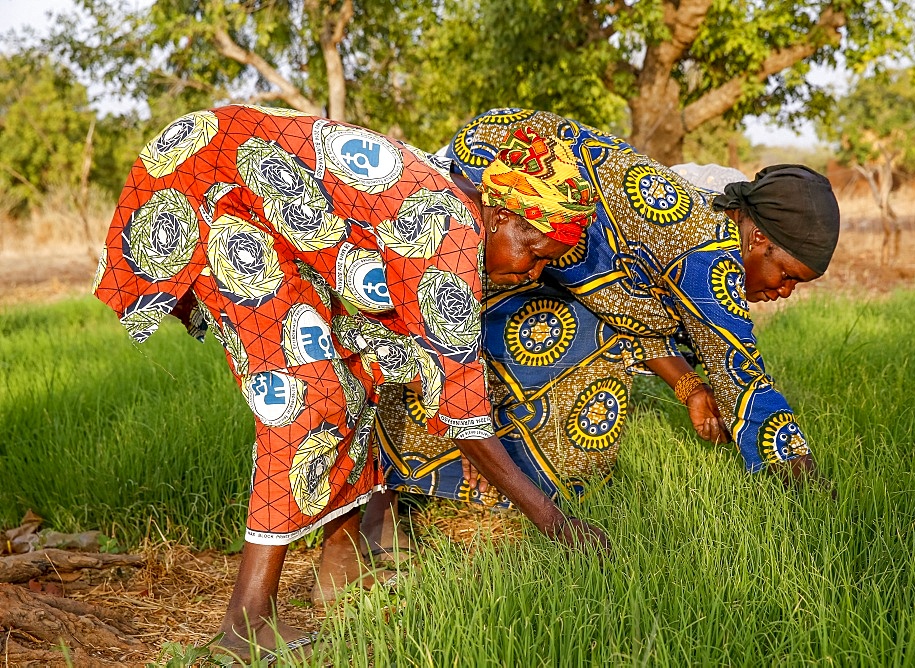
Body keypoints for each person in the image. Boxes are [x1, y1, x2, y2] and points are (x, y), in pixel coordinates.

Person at [92, 105, 606, 659]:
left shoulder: (455, 211)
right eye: (533, 254)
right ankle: (245, 625)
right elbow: (463, 411)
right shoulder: (449, 239)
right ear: (504, 216)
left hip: (256, 201)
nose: (530, 273)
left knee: (359, 369)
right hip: (212, 190)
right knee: (304, 400)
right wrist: (555, 523)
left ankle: (341, 570)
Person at [363, 108, 840, 559]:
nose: (785, 290)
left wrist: (688, 385)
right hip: (505, 176)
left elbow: (624, 306)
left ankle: (461, 477)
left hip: (510, 169)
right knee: (429, 326)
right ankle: (382, 495)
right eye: (788, 273)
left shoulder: (702, 222)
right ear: (759, 239)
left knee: (551, 340)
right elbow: (744, 379)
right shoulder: (709, 257)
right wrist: (806, 482)